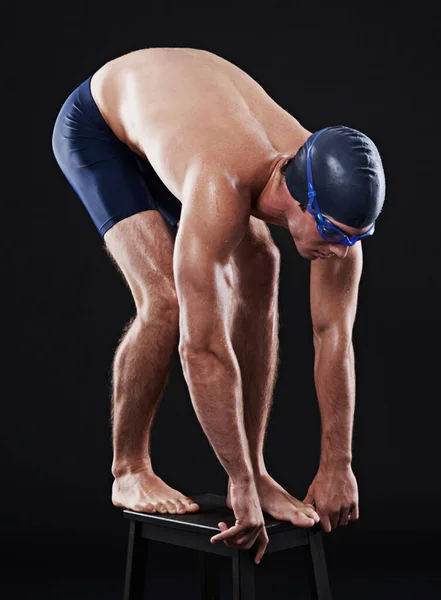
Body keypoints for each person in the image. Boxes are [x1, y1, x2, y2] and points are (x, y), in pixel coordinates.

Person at [52, 47, 386, 564]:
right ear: (300, 200)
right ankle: (129, 469)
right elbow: (202, 349)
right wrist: (237, 486)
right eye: (331, 235)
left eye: (354, 239)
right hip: (101, 125)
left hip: (188, 120)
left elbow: (333, 335)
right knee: (166, 301)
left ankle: (259, 468)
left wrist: (336, 462)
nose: (339, 251)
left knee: (262, 265)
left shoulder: (335, 217)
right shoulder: (221, 183)